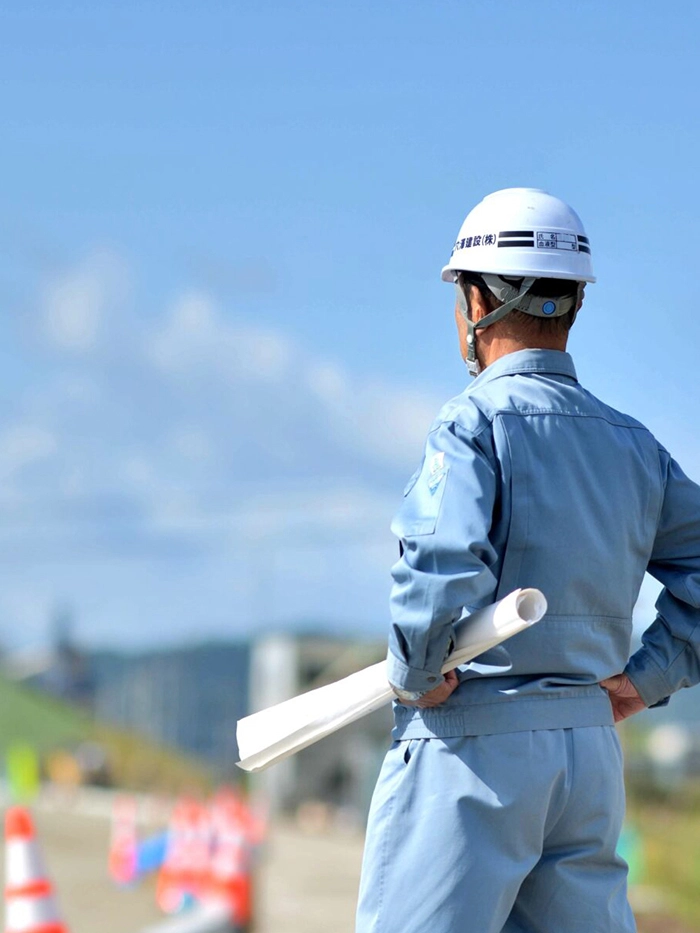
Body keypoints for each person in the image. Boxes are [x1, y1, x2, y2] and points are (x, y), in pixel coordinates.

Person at [355, 187, 700, 933]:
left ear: (477, 298)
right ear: (574, 300)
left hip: (474, 744)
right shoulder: (635, 446)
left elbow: (441, 569)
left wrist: (418, 673)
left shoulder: (472, 423)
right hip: (588, 753)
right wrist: (648, 678)